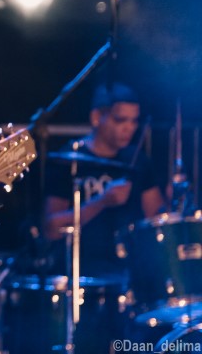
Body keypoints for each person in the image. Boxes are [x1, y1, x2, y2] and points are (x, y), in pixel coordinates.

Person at [40, 82, 166, 353]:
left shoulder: (137, 161)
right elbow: (51, 227)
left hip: (129, 280)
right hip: (81, 280)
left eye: (134, 121)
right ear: (97, 117)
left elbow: (157, 218)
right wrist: (101, 202)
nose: (129, 128)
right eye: (121, 120)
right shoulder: (69, 160)